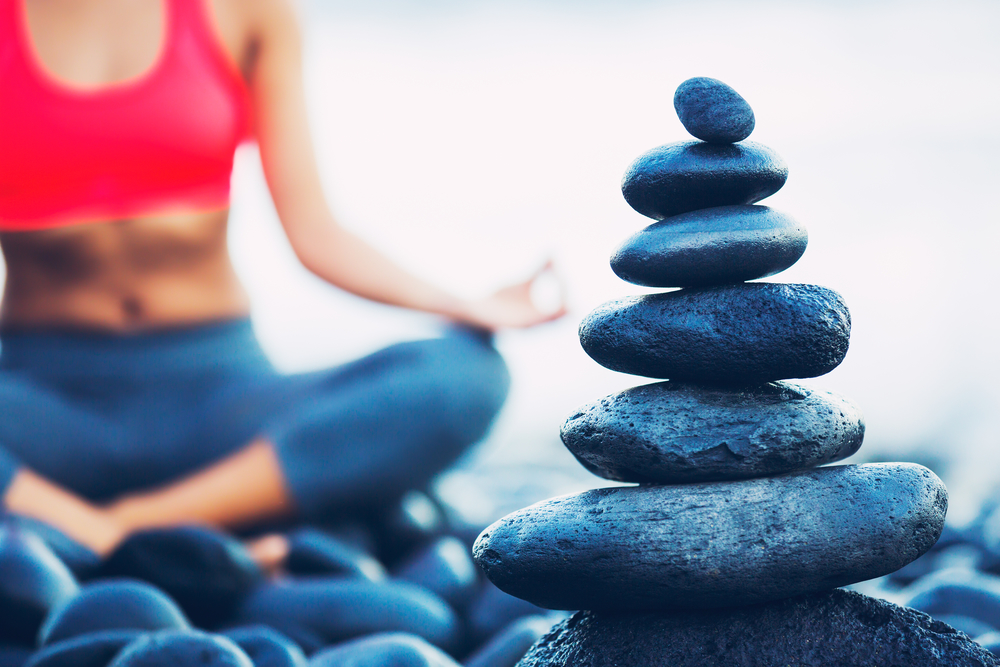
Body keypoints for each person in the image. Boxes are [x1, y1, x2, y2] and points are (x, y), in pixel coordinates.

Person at [0, 0, 565, 564]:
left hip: (222, 403)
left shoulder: (246, 11)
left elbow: (314, 233)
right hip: (50, 407)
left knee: (463, 376)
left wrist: (462, 304)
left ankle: (116, 526)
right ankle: (175, 532)